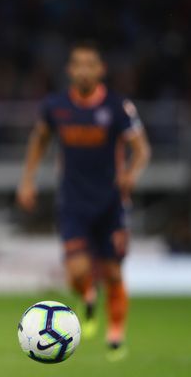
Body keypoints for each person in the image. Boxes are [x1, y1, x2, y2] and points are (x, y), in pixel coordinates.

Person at [17, 40, 151, 361]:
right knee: (77, 272)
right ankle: (88, 294)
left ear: (101, 70)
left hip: (110, 203)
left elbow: (142, 148)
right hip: (73, 202)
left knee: (114, 273)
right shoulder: (56, 106)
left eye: (90, 64)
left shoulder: (118, 107)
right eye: (78, 64)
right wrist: (27, 179)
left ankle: (115, 335)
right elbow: (40, 140)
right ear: (70, 70)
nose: (84, 70)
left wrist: (132, 172)